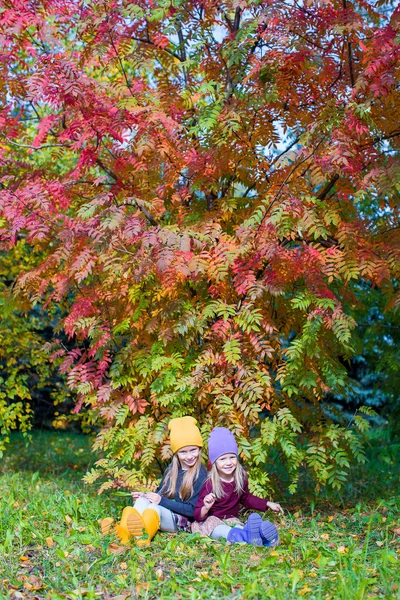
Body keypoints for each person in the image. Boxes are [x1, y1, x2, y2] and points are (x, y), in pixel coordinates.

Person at [100, 416, 207, 546]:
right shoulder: (172, 469)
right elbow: (160, 493)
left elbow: (193, 511)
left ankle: (141, 540)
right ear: (176, 453)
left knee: (154, 508)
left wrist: (161, 501)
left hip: (187, 522)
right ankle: (123, 534)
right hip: (170, 514)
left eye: (193, 450)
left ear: (199, 449)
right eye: (183, 452)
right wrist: (146, 496)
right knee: (142, 501)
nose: (189, 456)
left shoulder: (200, 473)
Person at [192, 427, 283, 546]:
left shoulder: (240, 478)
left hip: (231, 519)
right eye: (223, 459)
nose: (228, 462)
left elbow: (247, 499)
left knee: (239, 528)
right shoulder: (210, 484)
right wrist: (206, 506)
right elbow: (197, 515)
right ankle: (249, 537)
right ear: (215, 462)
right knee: (223, 530)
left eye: (232, 457)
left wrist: (267, 504)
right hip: (212, 520)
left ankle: (266, 539)